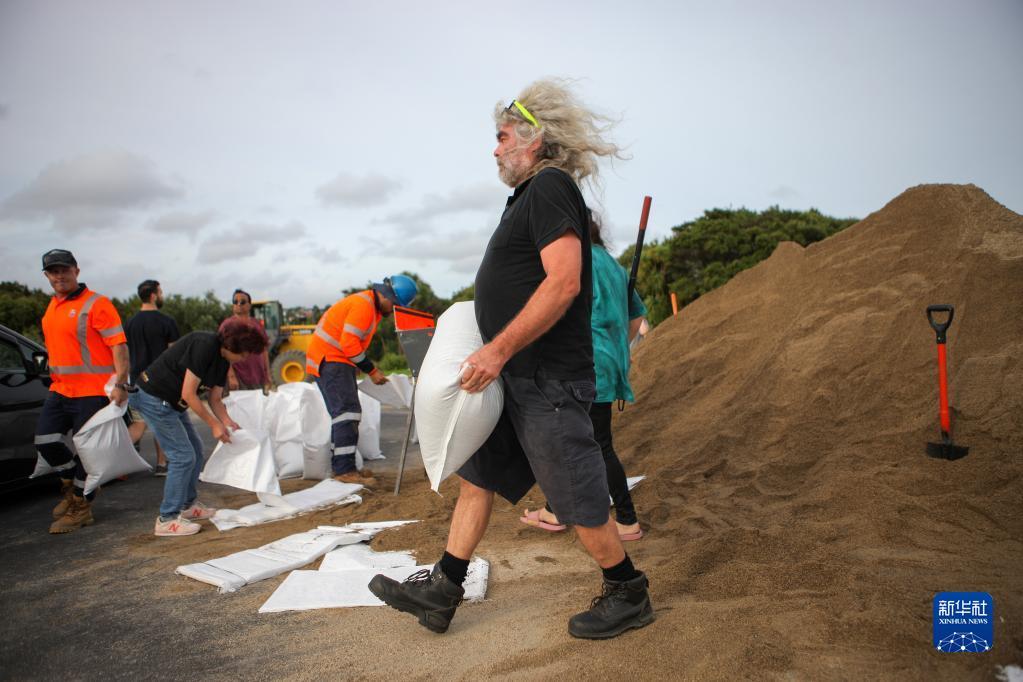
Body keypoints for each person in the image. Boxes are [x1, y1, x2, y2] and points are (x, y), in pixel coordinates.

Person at [369, 80, 654, 640]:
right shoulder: (529, 195)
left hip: (545, 379)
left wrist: (498, 350)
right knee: (479, 477)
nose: (495, 148)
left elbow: (565, 281)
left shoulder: (550, 186)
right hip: (517, 377)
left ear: (534, 136)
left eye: (502, 137)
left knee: (575, 492)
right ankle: (444, 589)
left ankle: (627, 591)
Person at [520, 209, 647, 541]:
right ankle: (555, 508)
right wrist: (615, 345)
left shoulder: (575, 260)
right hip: (608, 361)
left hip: (585, 362)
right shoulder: (611, 263)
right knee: (575, 437)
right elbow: (636, 318)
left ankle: (627, 519)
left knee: (594, 444)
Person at [132, 320, 267, 536]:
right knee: (182, 456)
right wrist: (214, 424)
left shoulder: (223, 361)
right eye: (244, 354)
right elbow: (189, 393)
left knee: (195, 449)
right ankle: (167, 518)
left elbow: (215, 399)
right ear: (232, 346)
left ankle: (187, 505)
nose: (245, 359)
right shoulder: (204, 345)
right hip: (154, 397)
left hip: (172, 402)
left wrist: (226, 421)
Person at [34, 249, 129, 534]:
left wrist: (121, 383)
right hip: (60, 390)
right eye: (53, 271)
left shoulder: (97, 304)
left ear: (76, 270)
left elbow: (119, 346)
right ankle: (72, 486)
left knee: (88, 455)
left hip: (92, 392)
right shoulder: (51, 307)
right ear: (47, 276)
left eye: (64, 269)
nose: (59, 275)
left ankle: (81, 507)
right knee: (45, 441)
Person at [305, 275, 418, 487]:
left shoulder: (367, 305)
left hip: (333, 360)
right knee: (347, 413)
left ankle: (343, 467)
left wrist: (355, 365)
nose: (392, 309)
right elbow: (349, 344)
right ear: (386, 296)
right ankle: (344, 471)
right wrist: (371, 370)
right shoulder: (364, 307)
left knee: (344, 415)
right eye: (394, 305)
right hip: (331, 360)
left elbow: (349, 343)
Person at [124, 279, 179, 476]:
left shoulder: (130, 323)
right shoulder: (167, 322)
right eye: (161, 292)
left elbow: (124, 352)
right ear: (154, 295)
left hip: (135, 381)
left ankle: (111, 460)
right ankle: (162, 464)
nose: (162, 295)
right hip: (159, 382)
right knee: (161, 423)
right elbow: (174, 354)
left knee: (138, 424)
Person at [219, 289, 271, 393]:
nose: (238, 304)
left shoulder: (257, 325)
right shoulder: (227, 326)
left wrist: (267, 374)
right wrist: (231, 375)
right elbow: (221, 352)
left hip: (257, 377)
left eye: (242, 301)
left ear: (249, 305)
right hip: (238, 378)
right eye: (235, 301)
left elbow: (264, 351)